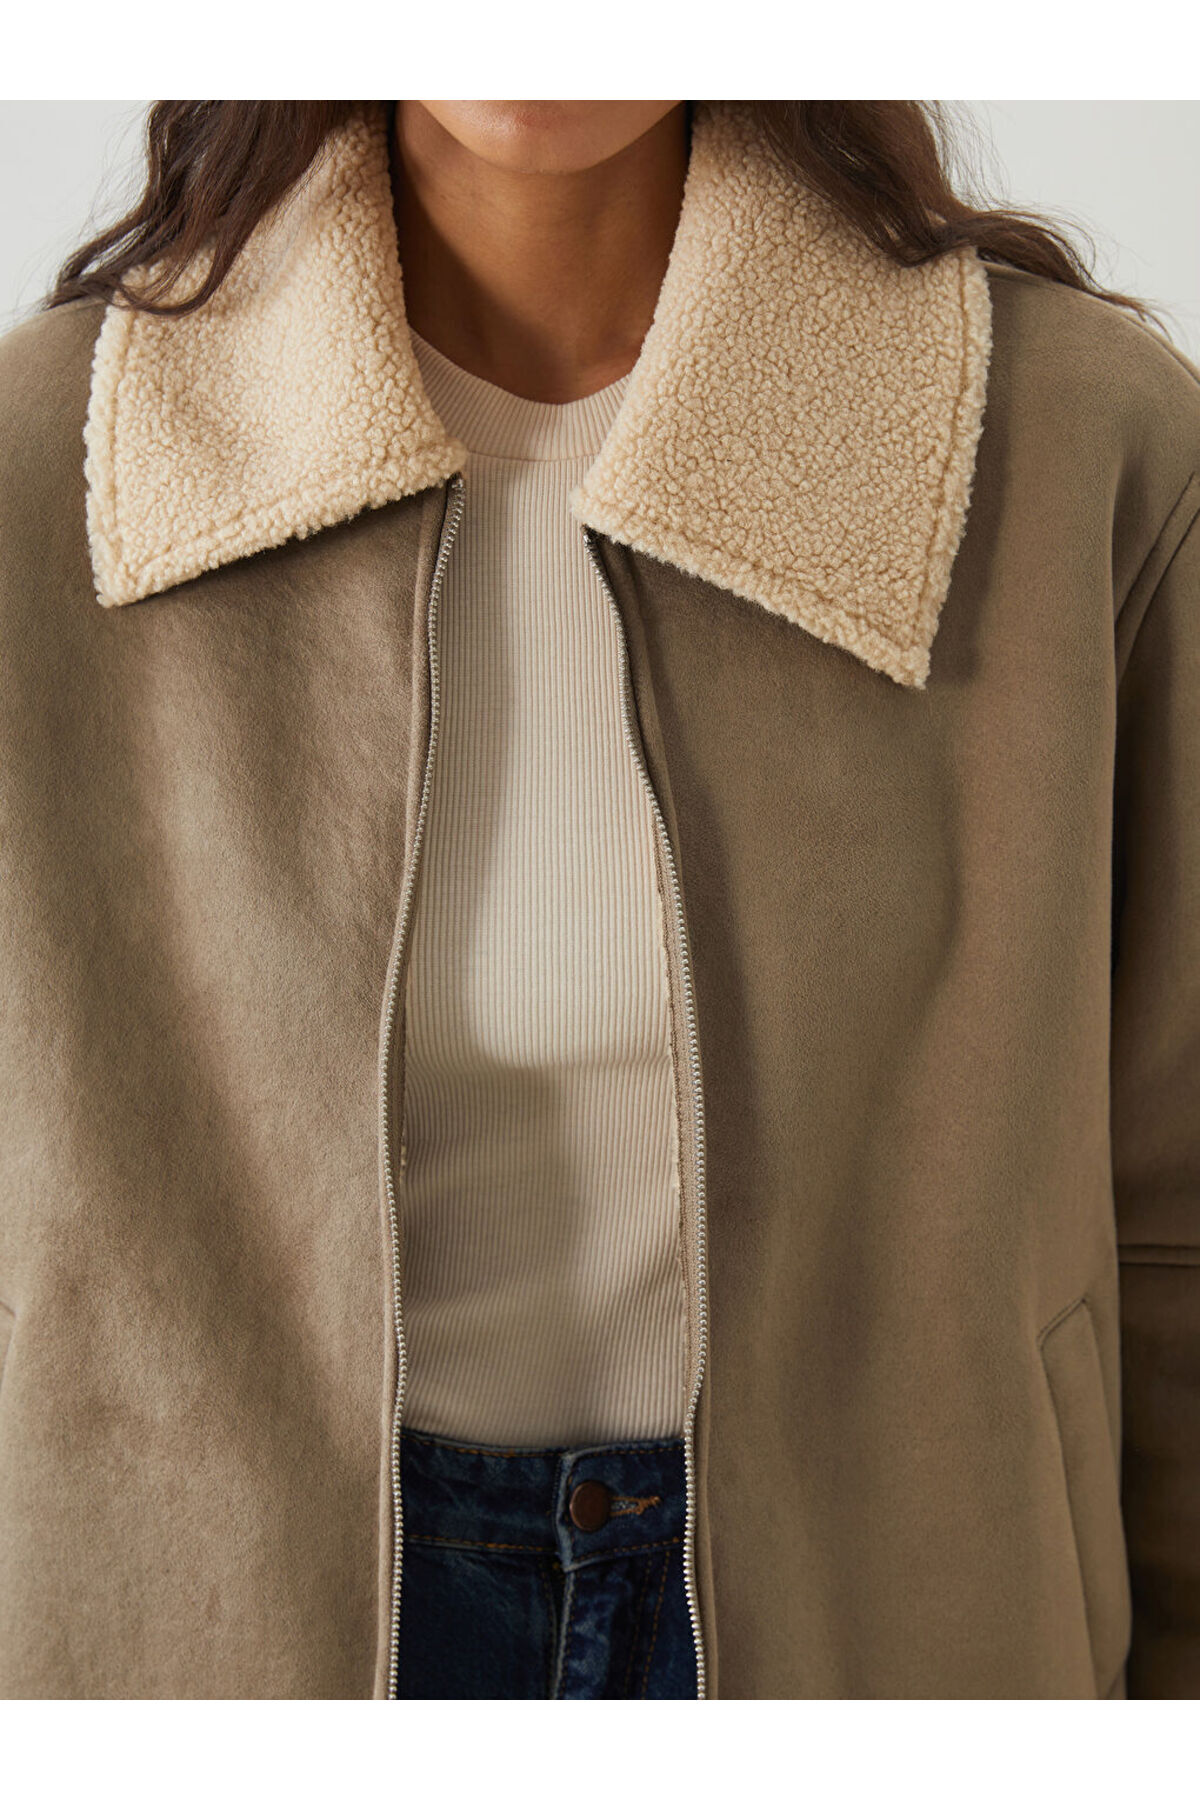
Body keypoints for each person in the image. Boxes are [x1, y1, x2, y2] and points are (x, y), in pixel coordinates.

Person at [0, 97, 1197, 1701]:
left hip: (897, 1626)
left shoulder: (1078, 450)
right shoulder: (44, 474)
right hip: (215, 1641)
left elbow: (1176, 1218)